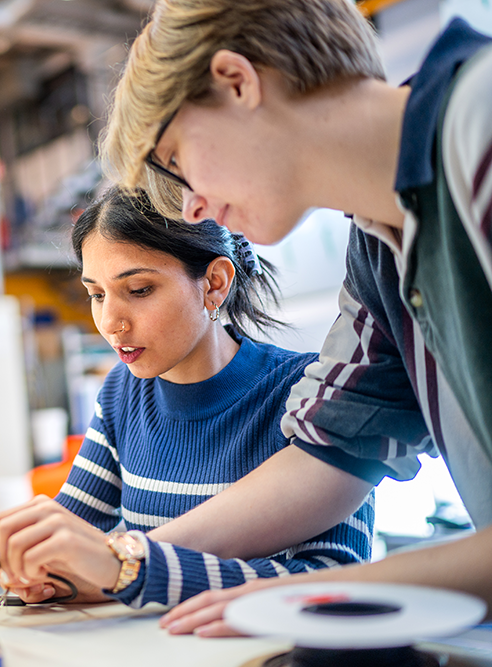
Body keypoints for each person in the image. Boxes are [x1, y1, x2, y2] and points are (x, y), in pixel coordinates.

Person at [97, 0, 492, 635]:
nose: (193, 206)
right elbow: (329, 455)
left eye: (177, 159)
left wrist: (316, 592)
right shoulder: (381, 247)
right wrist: (126, 556)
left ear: (236, 82)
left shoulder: (481, 124)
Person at [0, 187, 374, 607]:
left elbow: (330, 579)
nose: (111, 321)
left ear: (214, 283)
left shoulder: (310, 392)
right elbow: (71, 534)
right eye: (96, 295)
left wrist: (129, 574)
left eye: (138, 290)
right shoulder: (122, 393)